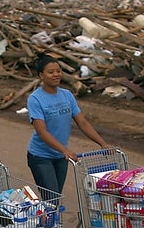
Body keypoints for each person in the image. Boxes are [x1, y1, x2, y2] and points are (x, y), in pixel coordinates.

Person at [26, 56, 106, 197]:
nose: (56, 74)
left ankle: (52, 218)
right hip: (41, 157)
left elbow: (83, 123)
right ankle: (48, 218)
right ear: (41, 75)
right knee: (52, 198)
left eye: (58, 71)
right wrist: (65, 150)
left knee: (56, 197)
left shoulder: (67, 95)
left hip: (61, 156)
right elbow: (42, 131)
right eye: (51, 72)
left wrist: (103, 144)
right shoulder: (35, 99)